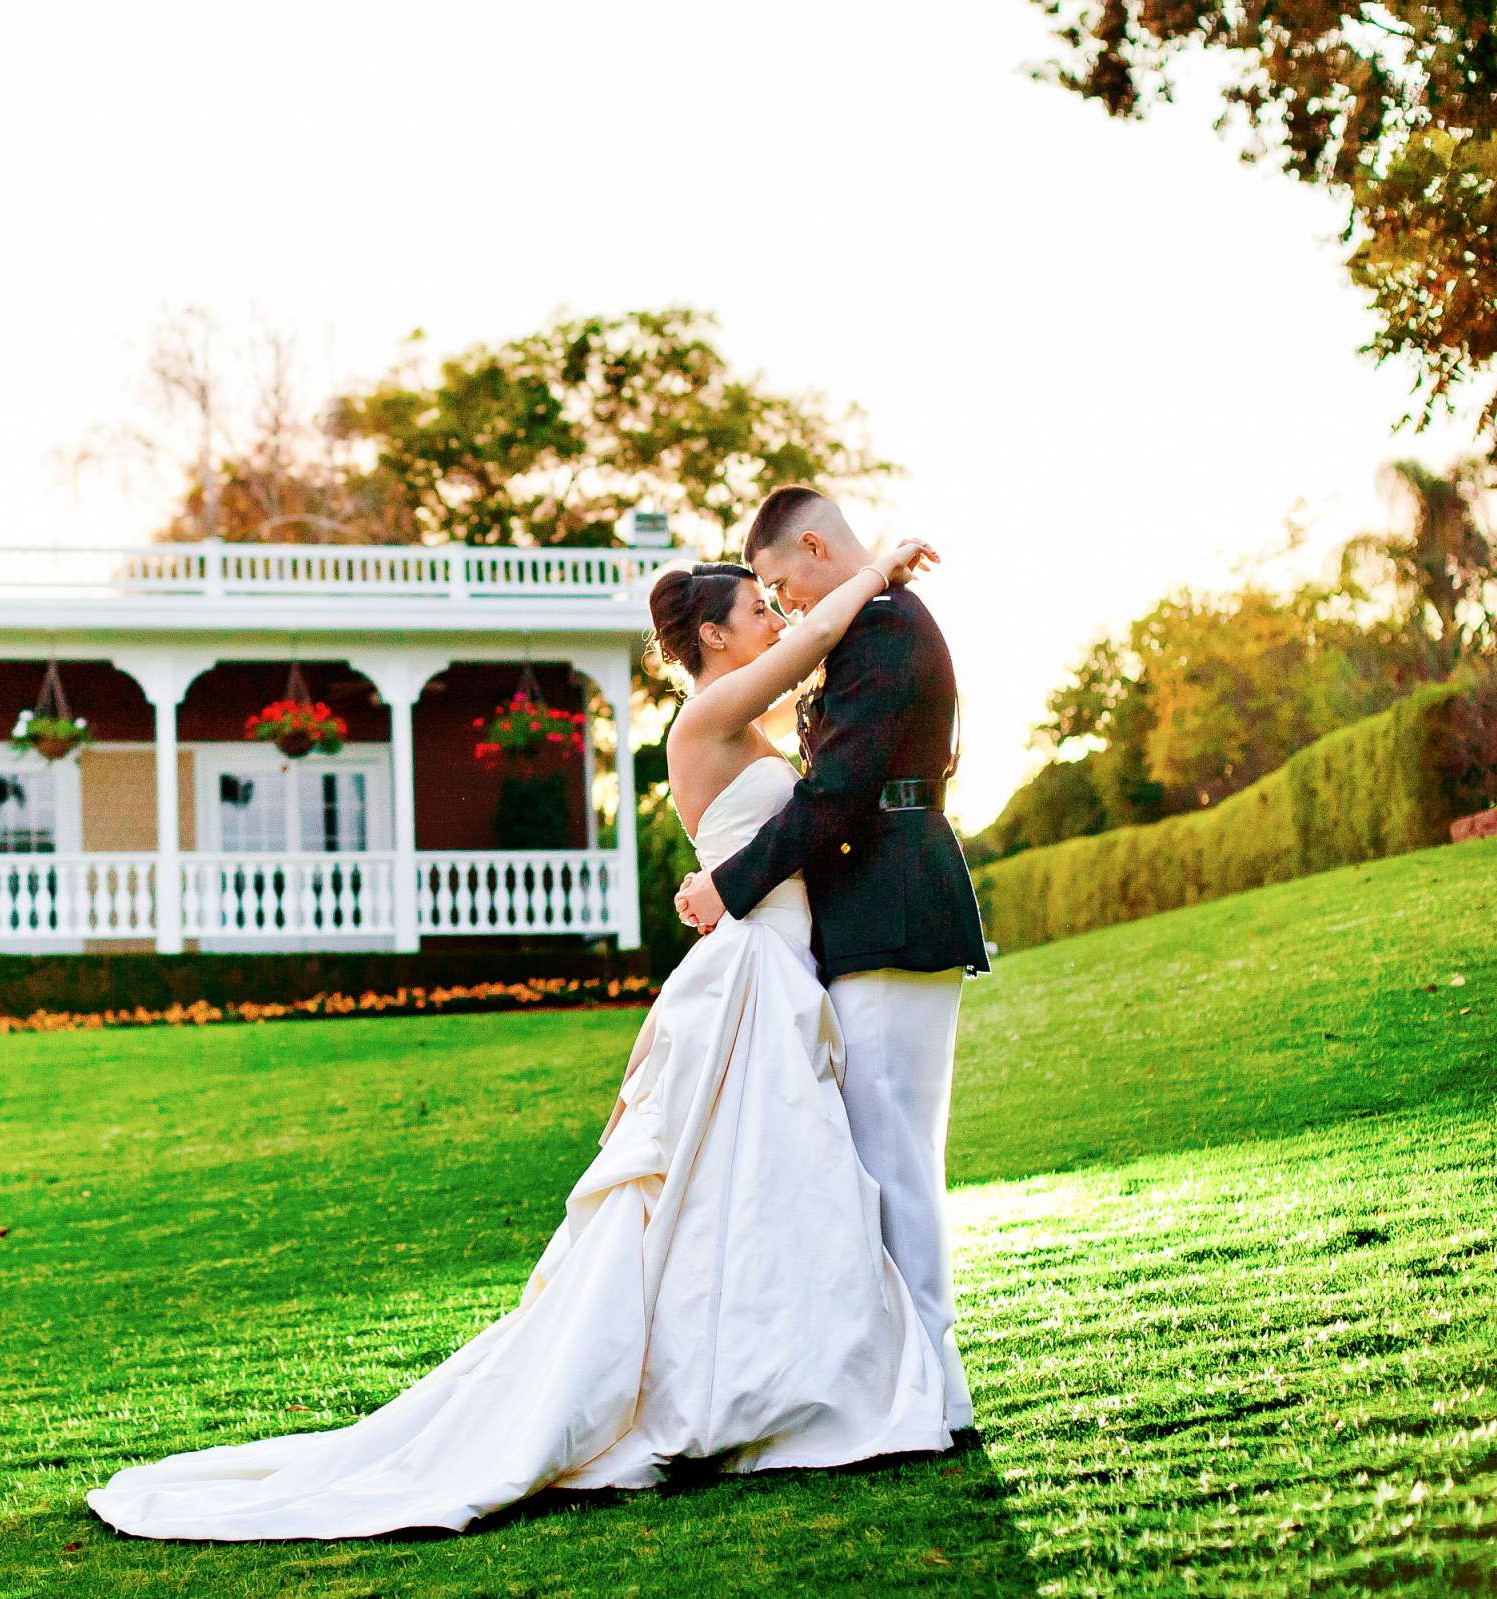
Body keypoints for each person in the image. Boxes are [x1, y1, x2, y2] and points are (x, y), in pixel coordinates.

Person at [85, 532, 947, 1542]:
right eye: (759, 610)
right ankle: (756, 1386)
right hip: (754, 969)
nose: (777, 618)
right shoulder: (707, 715)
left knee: (767, 1183)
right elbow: (817, 650)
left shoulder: (746, 714)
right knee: (754, 1174)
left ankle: (789, 1372)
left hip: (779, 960)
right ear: (715, 636)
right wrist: (874, 569)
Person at [674, 485, 990, 1432]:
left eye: (780, 583)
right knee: (885, 1156)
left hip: (892, 912)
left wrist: (727, 885)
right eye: (761, 598)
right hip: (876, 911)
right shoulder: (875, 615)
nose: (784, 608)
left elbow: (839, 792)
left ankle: (933, 1387)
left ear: (813, 545)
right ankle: (907, 1377)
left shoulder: (883, 627)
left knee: (896, 1157)